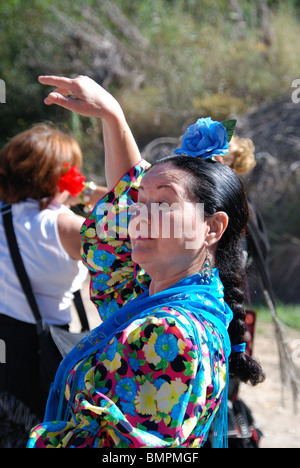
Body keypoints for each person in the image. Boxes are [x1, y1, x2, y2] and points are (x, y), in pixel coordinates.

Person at [27, 75, 264, 449]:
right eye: (140, 204)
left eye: (164, 204)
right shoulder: (169, 299)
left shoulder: (168, 330)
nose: (137, 216)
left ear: (212, 228)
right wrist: (112, 116)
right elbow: (123, 214)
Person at [0, 123, 106, 442]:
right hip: (41, 349)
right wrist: (98, 199)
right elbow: (124, 246)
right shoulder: (71, 228)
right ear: (57, 176)